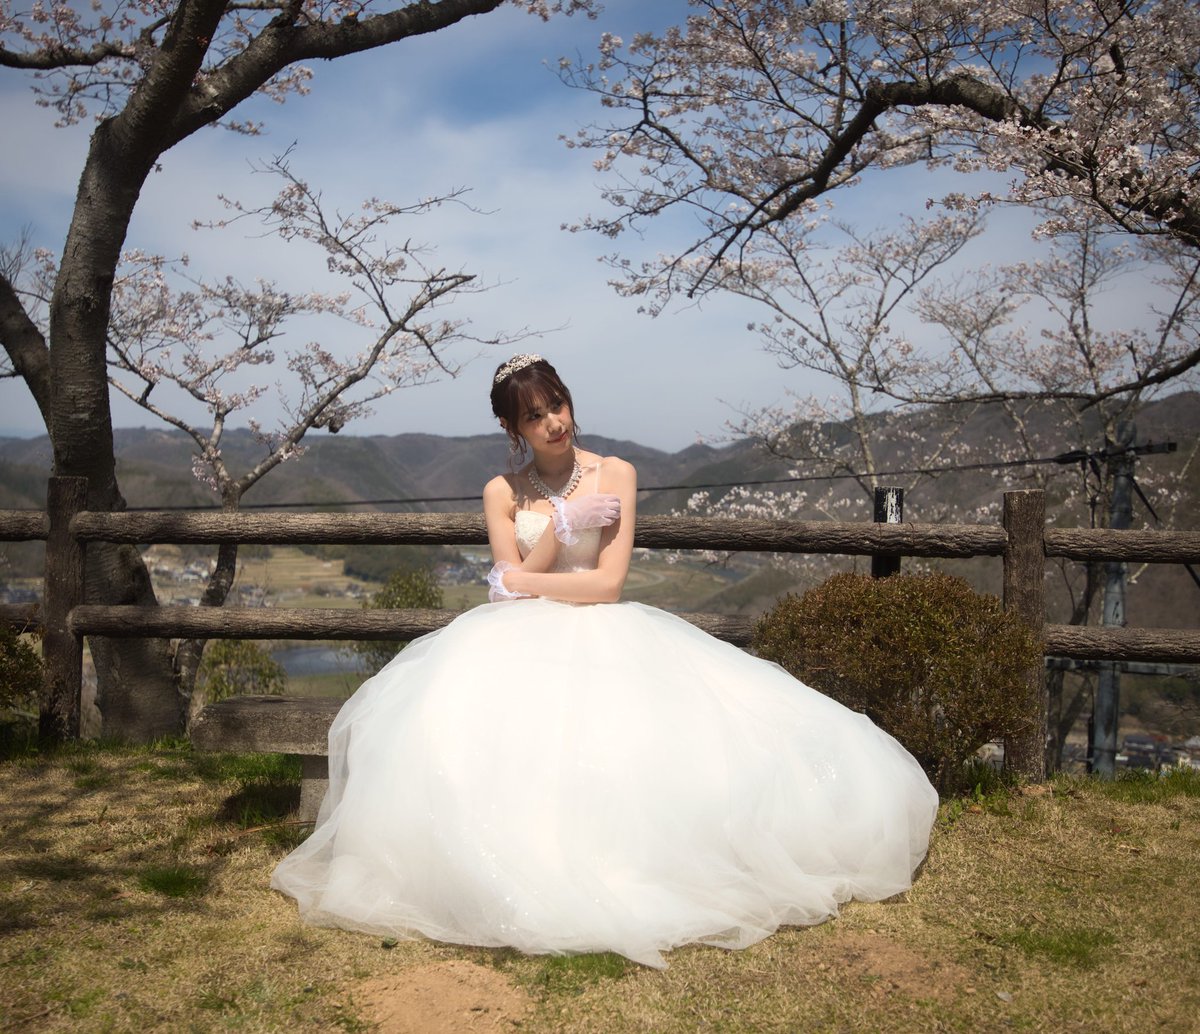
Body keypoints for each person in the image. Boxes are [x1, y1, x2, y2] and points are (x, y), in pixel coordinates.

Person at [270, 354, 939, 970]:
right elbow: (501, 588)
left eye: (556, 404)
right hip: (511, 640)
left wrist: (529, 577)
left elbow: (603, 586)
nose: (554, 421)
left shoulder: (615, 473)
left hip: (603, 632)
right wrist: (559, 531)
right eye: (535, 415)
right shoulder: (501, 491)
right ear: (513, 427)